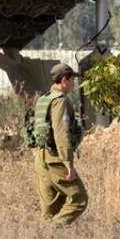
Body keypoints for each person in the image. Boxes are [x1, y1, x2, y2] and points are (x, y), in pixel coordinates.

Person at [33, 62, 88, 227]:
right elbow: (61, 133)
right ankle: (53, 232)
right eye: (72, 80)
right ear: (65, 80)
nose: (73, 84)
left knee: (51, 208)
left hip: (41, 158)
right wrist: (68, 163)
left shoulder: (44, 99)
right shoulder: (60, 101)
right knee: (79, 198)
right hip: (55, 159)